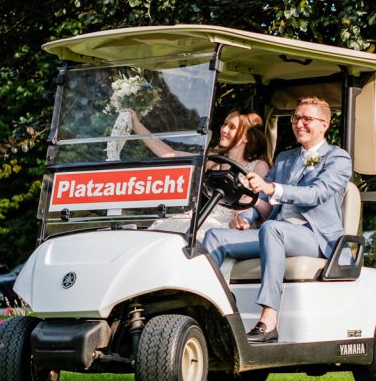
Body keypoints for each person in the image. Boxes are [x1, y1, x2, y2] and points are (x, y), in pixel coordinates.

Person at [203, 96, 351, 343]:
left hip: (314, 236)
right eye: (296, 118)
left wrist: (274, 189)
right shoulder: (285, 158)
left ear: (324, 124)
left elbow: (317, 193)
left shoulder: (337, 158)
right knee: (215, 237)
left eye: (307, 119)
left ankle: (269, 320)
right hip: (276, 231)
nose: (299, 124)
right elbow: (261, 197)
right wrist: (248, 216)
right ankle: (213, 314)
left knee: (273, 228)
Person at [131, 109, 271, 234]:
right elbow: (170, 154)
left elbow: (267, 209)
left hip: (236, 226)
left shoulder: (259, 166)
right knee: (164, 231)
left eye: (232, 127)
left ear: (246, 137)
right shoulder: (214, 161)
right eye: (225, 124)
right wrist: (136, 125)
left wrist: (248, 207)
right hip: (208, 218)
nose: (224, 129)